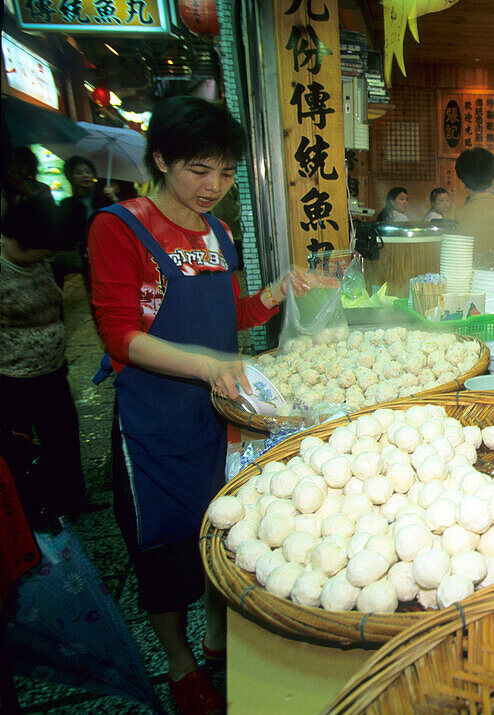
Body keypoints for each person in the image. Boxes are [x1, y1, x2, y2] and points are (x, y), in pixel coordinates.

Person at [87, 95, 307, 715]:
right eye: (198, 170)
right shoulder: (119, 227)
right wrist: (210, 366)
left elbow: (232, 316)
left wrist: (279, 291)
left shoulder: (221, 233)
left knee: (223, 528)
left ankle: (216, 641)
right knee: (164, 544)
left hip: (223, 417)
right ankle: (180, 666)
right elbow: (120, 336)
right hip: (155, 420)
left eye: (227, 172)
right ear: (160, 159)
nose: (214, 186)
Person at [1, 191, 104, 524]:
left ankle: (71, 498)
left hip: (52, 371)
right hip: (11, 379)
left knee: (62, 438)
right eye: (45, 248)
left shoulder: (43, 260)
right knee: (21, 450)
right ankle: (29, 512)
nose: (49, 254)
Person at [55, 155, 118, 288]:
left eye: (88, 172)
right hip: (83, 255)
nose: (85, 176)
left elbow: (122, 220)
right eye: (79, 172)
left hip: (108, 251)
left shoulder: (104, 198)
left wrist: (113, 198)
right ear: (70, 176)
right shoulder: (67, 204)